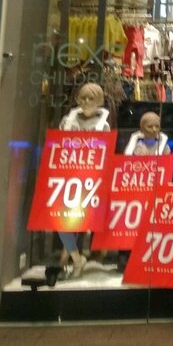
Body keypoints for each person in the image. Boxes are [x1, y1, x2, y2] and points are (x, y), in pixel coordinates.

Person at [57, 83, 110, 277]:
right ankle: (75, 259)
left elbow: (104, 154)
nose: (86, 102)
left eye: (91, 98)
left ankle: (65, 262)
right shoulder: (67, 121)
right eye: (83, 97)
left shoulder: (103, 125)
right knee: (63, 222)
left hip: (90, 180)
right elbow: (58, 146)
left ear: (99, 101)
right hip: (66, 178)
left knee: (77, 221)